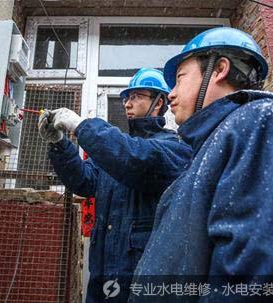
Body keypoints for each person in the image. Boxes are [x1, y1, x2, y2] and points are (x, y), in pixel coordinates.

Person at [131, 27, 273, 301]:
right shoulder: (212, 149)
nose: (171, 94)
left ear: (219, 69)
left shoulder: (264, 125)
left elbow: (267, 277)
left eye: (180, 78)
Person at [37, 68, 193, 302]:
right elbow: (85, 181)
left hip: (142, 276)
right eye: (126, 98)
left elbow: (135, 158)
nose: (128, 104)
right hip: (104, 273)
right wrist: (59, 144)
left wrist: (82, 125)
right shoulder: (117, 150)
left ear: (159, 102)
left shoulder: (174, 147)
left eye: (137, 96)